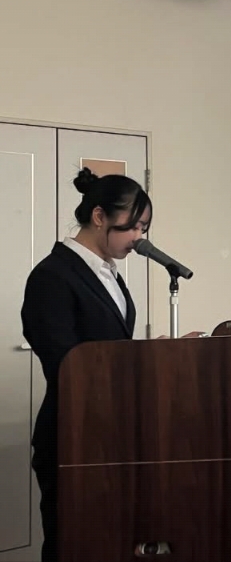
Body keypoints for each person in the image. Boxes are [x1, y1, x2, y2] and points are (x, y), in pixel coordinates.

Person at [20, 168, 152, 562]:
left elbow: (109, 347)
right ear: (99, 216)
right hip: (73, 432)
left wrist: (154, 355)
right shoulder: (52, 276)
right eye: (134, 226)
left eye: (143, 228)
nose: (139, 237)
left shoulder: (108, 273)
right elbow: (67, 364)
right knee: (71, 542)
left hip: (110, 428)